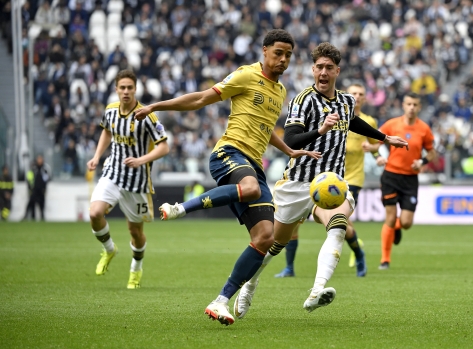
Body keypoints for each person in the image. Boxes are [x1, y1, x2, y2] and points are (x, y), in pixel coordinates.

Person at [135, 30, 320, 326]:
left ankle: (221, 301)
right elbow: (200, 99)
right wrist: (157, 106)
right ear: (264, 51)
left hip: (253, 165)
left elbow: (265, 126)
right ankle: (181, 208)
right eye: (278, 53)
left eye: (288, 55)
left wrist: (288, 149)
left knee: (265, 237)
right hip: (229, 153)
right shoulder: (246, 75)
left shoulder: (281, 91)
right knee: (247, 188)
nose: (283, 59)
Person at [233, 42, 408, 318]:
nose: (323, 72)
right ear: (313, 70)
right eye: (319, 67)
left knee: (338, 226)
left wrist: (385, 138)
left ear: (337, 71)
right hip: (297, 184)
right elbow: (290, 139)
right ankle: (249, 285)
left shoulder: (347, 101)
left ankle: (317, 291)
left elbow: (353, 122)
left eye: (329, 68)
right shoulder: (302, 100)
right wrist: (320, 129)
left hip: (330, 183)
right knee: (273, 244)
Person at [273, 83, 380, 278]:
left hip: (348, 177)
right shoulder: (330, 110)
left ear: (364, 98)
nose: (356, 96)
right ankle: (289, 267)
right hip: (316, 175)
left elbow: (375, 145)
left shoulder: (368, 121)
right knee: (294, 224)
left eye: (361, 94)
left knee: (342, 223)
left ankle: (358, 255)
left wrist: (377, 154)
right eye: (354, 92)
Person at [87, 69, 170, 290]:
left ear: (135, 90)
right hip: (112, 173)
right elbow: (106, 131)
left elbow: (164, 147)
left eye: (129, 88)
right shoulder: (111, 111)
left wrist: (142, 160)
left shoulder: (147, 116)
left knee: (135, 232)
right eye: (122, 88)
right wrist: (96, 156)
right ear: (116, 90)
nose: (125, 92)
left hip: (137, 182)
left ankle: (136, 268)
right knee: (95, 213)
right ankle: (109, 249)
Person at [363, 92, 436, 270]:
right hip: (391, 176)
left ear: (419, 107)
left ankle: (397, 227)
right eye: (409, 104)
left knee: (406, 223)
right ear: (403, 105)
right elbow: (376, 141)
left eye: (415, 105)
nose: (412, 107)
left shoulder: (424, 129)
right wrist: (374, 152)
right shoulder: (392, 124)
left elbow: (432, 152)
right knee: (389, 216)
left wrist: (422, 162)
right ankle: (385, 260)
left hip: (411, 179)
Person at [24, 155, 52, 221]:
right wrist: (30, 188)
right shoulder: (33, 169)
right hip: (34, 190)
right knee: (32, 204)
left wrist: (44, 188)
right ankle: (31, 218)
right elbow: (29, 179)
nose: (39, 161)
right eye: (38, 159)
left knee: (42, 206)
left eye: (41, 159)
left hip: (41, 190)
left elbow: (47, 179)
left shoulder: (44, 169)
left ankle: (42, 218)